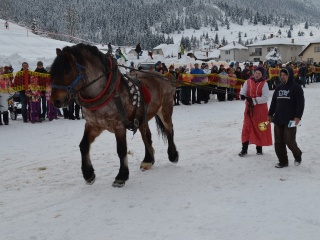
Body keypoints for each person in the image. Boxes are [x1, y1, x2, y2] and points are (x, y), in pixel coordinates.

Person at [268, 67, 304, 168]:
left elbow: (300, 103)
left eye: (285, 75)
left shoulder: (296, 87)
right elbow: (274, 102)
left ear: (290, 75)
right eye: (281, 75)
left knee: (289, 140)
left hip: (291, 119)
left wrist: (298, 116)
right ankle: (283, 161)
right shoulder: (278, 87)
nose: (283, 77)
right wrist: (270, 114)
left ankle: (297, 154)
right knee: (279, 142)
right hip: (278, 118)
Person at [239, 66, 272, 157]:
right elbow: (243, 91)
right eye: (256, 73)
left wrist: (254, 100)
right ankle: (244, 149)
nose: (257, 75)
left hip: (260, 109)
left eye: (259, 73)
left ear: (262, 75)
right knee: (246, 127)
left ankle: (259, 149)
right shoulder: (248, 81)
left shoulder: (264, 84)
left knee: (259, 127)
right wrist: (242, 95)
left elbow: (265, 98)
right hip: (249, 109)